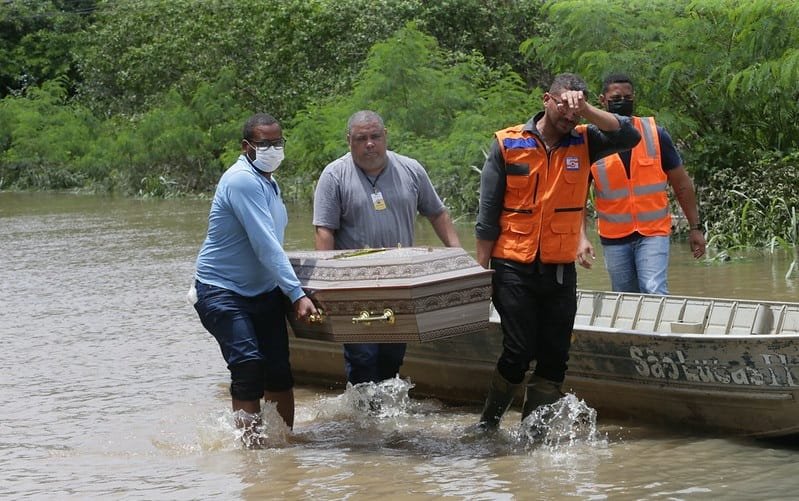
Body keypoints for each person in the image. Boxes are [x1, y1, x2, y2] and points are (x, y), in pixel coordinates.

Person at [473, 73, 641, 431]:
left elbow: (629, 135)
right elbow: (487, 217)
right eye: (564, 107)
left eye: (575, 111)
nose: (569, 117)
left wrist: (588, 110)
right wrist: (480, 272)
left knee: (554, 358)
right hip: (511, 265)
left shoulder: (584, 140)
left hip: (559, 269)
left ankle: (532, 434)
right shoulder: (508, 144)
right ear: (546, 99)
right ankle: (488, 424)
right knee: (519, 351)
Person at [192, 113, 317, 438]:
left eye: (278, 142)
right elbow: (265, 244)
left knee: (279, 371)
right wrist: (297, 293)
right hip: (222, 290)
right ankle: (252, 453)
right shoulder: (241, 180)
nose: (273, 149)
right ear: (247, 146)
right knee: (248, 365)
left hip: (262, 290)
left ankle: (284, 447)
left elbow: (273, 244)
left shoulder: (268, 181)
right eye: (265, 144)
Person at [313, 110, 461, 385]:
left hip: (400, 281)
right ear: (349, 140)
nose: (369, 144)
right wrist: (326, 284)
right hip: (354, 284)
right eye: (361, 138)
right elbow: (324, 231)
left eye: (375, 136)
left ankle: (382, 418)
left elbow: (437, 213)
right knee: (363, 357)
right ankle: (364, 419)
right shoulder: (334, 176)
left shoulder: (411, 169)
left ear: (385, 136)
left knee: (393, 355)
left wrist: (458, 257)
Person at [591, 73, 706, 294]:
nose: (622, 101)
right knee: (624, 297)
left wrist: (695, 228)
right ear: (602, 100)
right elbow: (574, 194)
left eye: (627, 96)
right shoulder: (591, 139)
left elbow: (682, 184)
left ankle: (661, 329)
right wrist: (579, 238)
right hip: (614, 236)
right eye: (616, 97)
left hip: (653, 232)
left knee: (653, 289)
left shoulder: (655, 134)